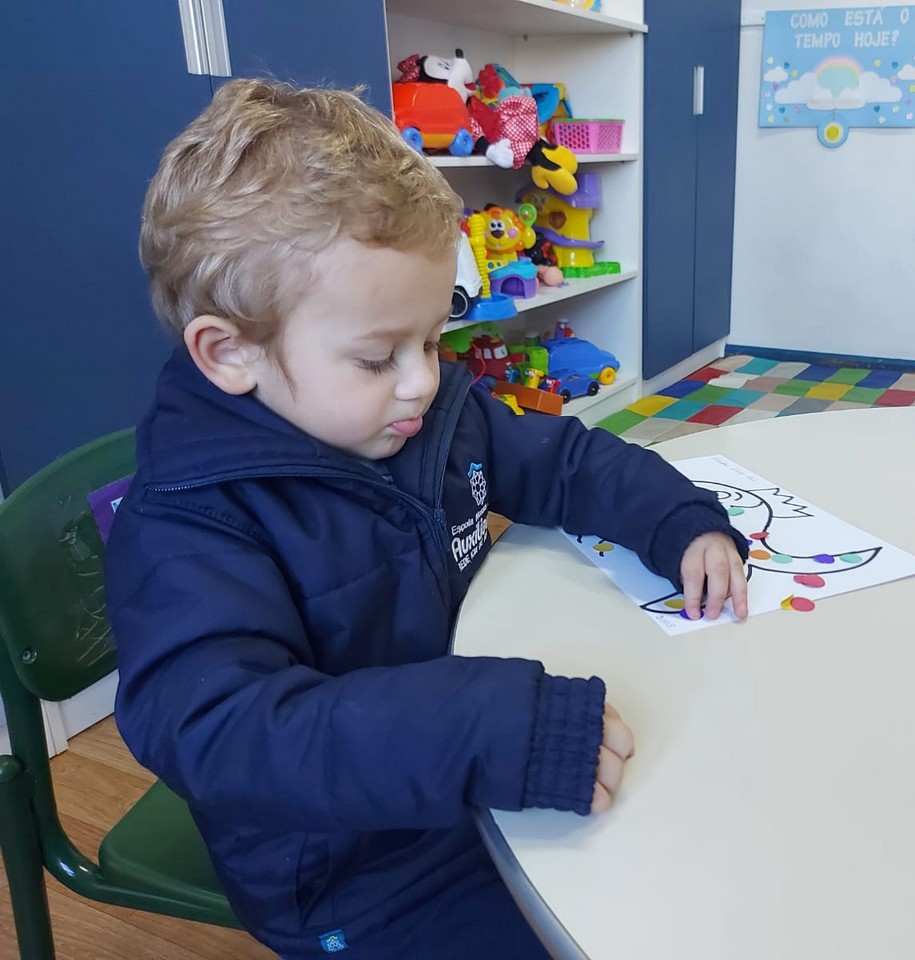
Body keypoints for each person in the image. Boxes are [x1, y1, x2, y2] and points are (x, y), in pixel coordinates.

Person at [105, 79, 751, 959]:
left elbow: (561, 461)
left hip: (469, 774)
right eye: (378, 356)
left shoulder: (424, 411)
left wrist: (678, 518)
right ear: (230, 353)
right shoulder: (189, 527)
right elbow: (227, 733)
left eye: (431, 337)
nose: (422, 379)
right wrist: (483, 727)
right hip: (357, 870)